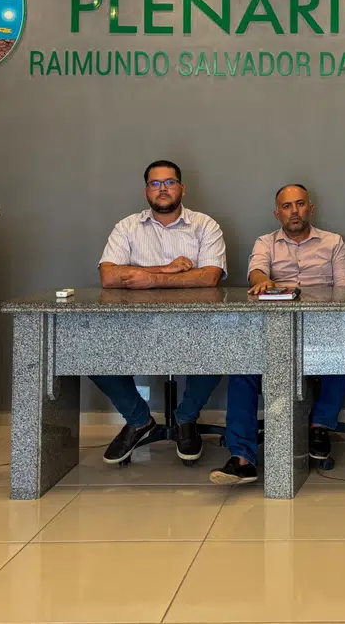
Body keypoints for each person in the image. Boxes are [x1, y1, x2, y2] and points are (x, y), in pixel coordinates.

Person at [210, 183, 345, 485]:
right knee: (243, 370)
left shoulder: (333, 242)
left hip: (321, 329)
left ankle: (319, 427)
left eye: (300, 204)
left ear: (310, 208)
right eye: (287, 206)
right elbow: (256, 272)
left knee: (340, 355)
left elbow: (344, 291)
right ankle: (242, 458)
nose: (294, 211)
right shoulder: (266, 242)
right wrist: (263, 281)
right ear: (277, 213)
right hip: (274, 332)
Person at [94, 160, 227, 465]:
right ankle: (139, 419)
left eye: (169, 182)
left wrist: (147, 278)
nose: (162, 189)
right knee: (89, 350)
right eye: (155, 183)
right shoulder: (127, 226)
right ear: (146, 191)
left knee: (223, 343)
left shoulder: (205, 225)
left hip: (196, 324)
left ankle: (185, 418)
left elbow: (210, 277)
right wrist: (166, 270)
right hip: (134, 324)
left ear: (182, 188)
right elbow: (108, 276)